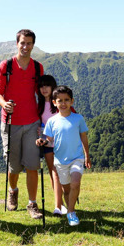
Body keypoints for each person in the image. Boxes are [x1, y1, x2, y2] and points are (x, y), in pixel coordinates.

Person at [0, 29, 44, 220]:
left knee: (32, 165)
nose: (25, 46)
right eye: (22, 43)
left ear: (33, 45)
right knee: (13, 167)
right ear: (17, 43)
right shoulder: (5, 66)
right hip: (10, 123)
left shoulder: (38, 68)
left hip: (32, 122)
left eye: (29, 43)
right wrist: (4, 104)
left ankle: (32, 204)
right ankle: (12, 191)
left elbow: (42, 94)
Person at [37, 85, 91, 226]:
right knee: (66, 189)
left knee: (75, 182)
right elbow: (49, 139)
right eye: (59, 100)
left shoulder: (78, 119)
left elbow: (84, 137)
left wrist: (87, 156)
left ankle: (71, 212)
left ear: (72, 101)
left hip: (77, 158)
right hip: (60, 161)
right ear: (54, 103)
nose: (63, 103)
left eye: (66, 100)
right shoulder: (52, 121)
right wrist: (43, 141)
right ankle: (70, 210)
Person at [37, 75, 67, 217]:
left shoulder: (58, 103)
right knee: (53, 171)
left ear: (52, 87)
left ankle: (61, 203)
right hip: (48, 142)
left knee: (60, 171)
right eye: (42, 86)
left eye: (47, 86)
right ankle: (59, 205)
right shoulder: (39, 104)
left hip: (61, 142)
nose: (44, 89)